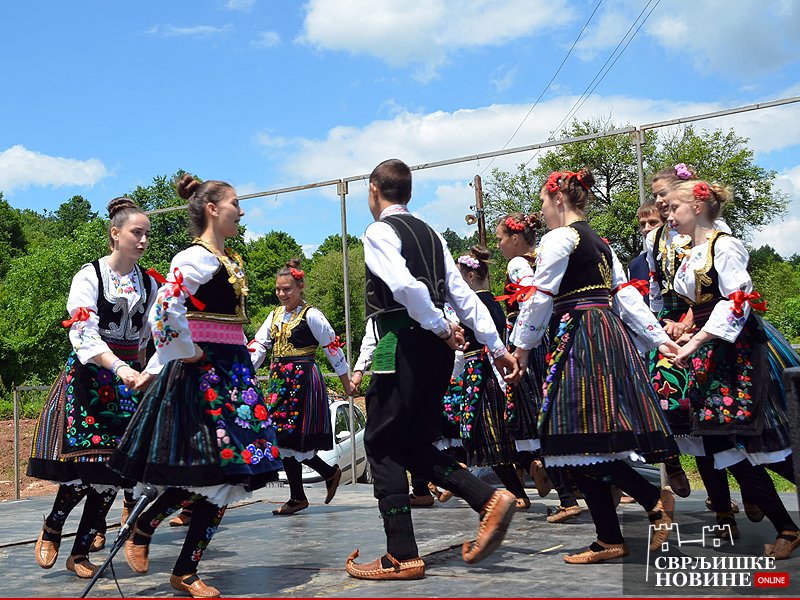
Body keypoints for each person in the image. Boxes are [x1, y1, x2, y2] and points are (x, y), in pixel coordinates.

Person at [345, 158, 521, 580]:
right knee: (412, 444)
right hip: (435, 352)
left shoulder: (378, 231)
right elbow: (463, 296)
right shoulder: (431, 233)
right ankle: (487, 498)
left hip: (401, 344)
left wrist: (440, 326)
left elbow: (405, 286)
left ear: (373, 190)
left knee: (381, 444)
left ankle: (401, 554)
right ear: (408, 192)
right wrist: (497, 346)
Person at [110, 174, 283, 597]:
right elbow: (164, 309)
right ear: (212, 208)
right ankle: (149, 526)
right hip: (204, 374)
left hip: (233, 372)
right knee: (211, 469)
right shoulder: (194, 257)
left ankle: (182, 566)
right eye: (235, 203)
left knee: (231, 474)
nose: (241, 211)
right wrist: (187, 351)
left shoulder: (229, 259)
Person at [511, 168, 680, 564]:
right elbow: (626, 297)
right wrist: (658, 337)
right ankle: (609, 537)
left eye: (543, 202)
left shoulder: (560, 238)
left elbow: (541, 296)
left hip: (581, 337)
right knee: (585, 439)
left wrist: (520, 348)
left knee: (572, 436)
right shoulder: (601, 244)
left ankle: (651, 499)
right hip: (606, 334)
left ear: (558, 199)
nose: (542, 210)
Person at [665, 179, 799, 559]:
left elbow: (736, 302)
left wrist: (695, 341)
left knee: (763, 440)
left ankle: (786, 527)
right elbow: (700, 306)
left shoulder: (724, 246)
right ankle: (787, 527)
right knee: (722, 445)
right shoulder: (692, 252)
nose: (669, 215)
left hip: (738, 354)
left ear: (698, 206)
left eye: (674, 207)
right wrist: (684, 330)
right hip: (712, 356)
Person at [28, 197, 156, 579]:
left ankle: (80, 551)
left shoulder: (150, 283)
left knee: (115, 471)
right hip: (91, 379)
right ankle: (54, 525)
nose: (143, 240)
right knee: (86, 465)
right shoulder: (90, 276)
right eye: (137, 232)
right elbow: (83, 335)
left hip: (129, 383)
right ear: (115, 234)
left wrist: (148, 371)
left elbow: (151, 336)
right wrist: (119, 366)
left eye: (147, 234)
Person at [248, 259, 354, 515]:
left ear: (300, 288)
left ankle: (301, 494)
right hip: (279, 381)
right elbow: (259, 345)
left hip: (303, 381)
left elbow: (332, 348)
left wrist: (347, 383)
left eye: (287, 289)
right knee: (281, 437)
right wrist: (244, 369)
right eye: (278, 289)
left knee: (294, 438)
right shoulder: (274, 315)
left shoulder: (312, 315)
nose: (281, 294)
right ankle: (317, 481)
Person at [495, 212, 581, 521]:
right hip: (546, 338)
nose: (499, 245)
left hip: (529, 342)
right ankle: (568, 484)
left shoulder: (518, 263)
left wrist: (519, 345)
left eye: (501, 239)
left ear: (515, 238)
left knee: (533, 418)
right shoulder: (541, 259)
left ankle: (565, 495)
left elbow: (530, 297)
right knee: (545, 418)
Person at [450, 245, 532, 509]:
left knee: (485, 436)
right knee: (498, 434)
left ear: (470, 276)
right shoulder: (495, 303)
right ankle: (532, 468)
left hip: (481, 374)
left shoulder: (473, 305)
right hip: (491, 373)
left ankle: (519, 491)